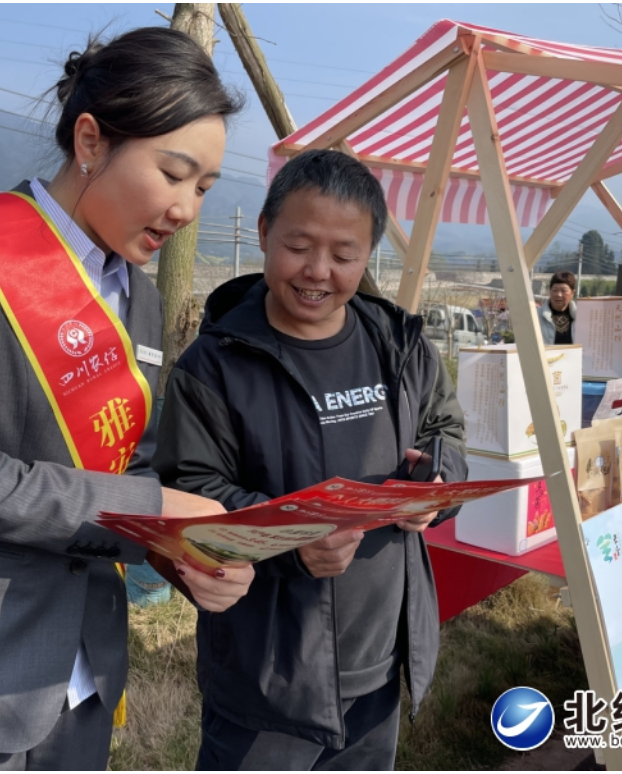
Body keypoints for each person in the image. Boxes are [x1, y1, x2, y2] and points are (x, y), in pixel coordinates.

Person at [0, 27, 253, 771]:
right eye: (174, 173)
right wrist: (154, 511)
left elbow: (136, 467)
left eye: (205, 189)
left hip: (80, 677)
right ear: (90, 140)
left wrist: (189, 551)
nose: (187, 208)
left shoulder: (143, 300)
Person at [153, 150, 468, 770]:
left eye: (345, 255)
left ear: (369, 252)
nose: (318, 271)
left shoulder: (398, 344)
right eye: (299, 246)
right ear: (266, 232)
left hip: (379, 658)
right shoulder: (214, 365)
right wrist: (291, 538)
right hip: (268, 671)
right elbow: (189, 489)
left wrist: (437, 480)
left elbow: (445, 429)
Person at [538, 270, 577, 345]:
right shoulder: (536, 316)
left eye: (564, 291)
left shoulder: (580, 318)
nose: (558, 294)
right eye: (555, 290)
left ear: (572, 293)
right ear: (550, 291)